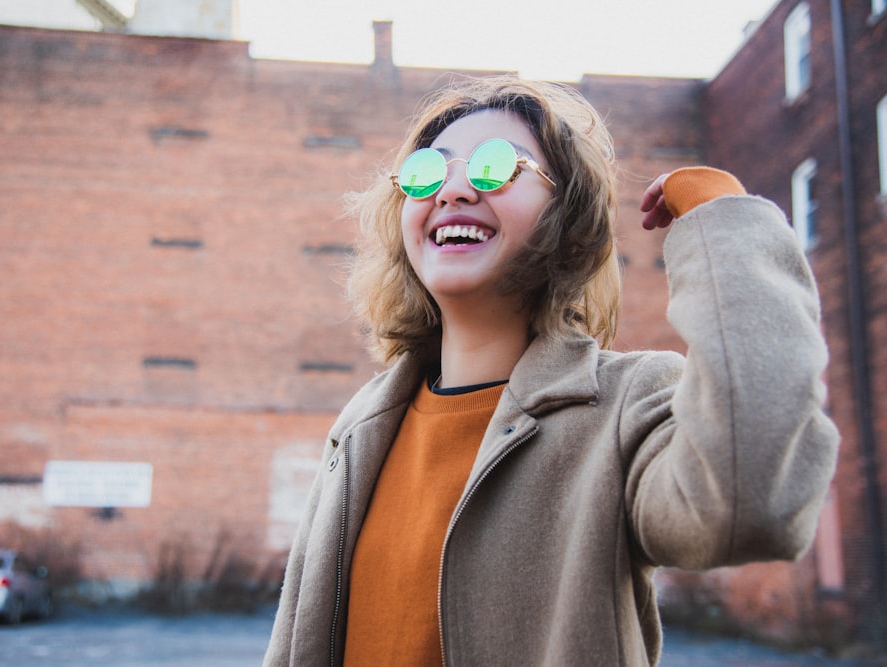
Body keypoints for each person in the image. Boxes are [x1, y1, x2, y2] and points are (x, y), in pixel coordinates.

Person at [263, 76, 839, 666]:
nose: (453, 188)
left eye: (495, 166)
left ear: (566, 217)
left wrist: (725, 223)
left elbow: (754, 502)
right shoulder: (362, 426)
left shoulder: (622, 408)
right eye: (426, 172)